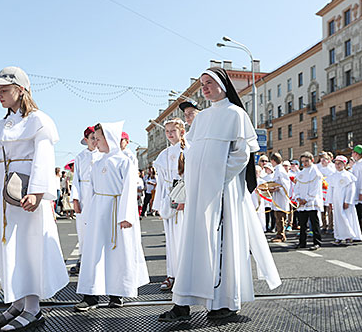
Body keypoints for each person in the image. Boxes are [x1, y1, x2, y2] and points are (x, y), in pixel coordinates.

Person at [159, 67, 280, 322]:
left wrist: (217, 177)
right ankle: (183, 302)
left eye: (209, 82)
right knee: (192, 245)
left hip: (222, 190)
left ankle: (222, 304)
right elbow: (192, 153)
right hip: (198, 192)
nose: (204, 87)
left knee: (221, 246)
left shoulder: (235, 114)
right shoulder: (201, 119)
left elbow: (242, 153)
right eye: (202, 84)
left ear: (223, 85)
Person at [0, 66, 68, 330]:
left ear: (20, 90)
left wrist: (37, 192)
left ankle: (33, 308)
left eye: (3, 90)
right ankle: (16, 303)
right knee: (6, 249)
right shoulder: (0, 126)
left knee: (28, 248)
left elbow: (44, 158)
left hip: (25, 196)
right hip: (1, 197)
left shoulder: (38, 120)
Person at [75, 121, 149, 311]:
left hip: (117, 211)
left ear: (110, 139)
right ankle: (91, 295)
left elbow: (129, 191)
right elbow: (91, 190)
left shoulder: (125, 161)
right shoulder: (97, 162)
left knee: (117, 252)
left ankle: (117, 293)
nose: (96, 142)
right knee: (94, 252)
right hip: (99, 211)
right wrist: (89, 214)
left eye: (98, 139)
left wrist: (125, 216)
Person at [152, 118, 189, 291]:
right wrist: (159, 205)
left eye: (172, 131)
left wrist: (184, 199)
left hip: (184, 202)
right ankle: (171, 274)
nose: (169, 134)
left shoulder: (188, 150)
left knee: (183, 238)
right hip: (169, 201)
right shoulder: (164, 155)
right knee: (171, 240)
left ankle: (186, 274)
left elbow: (192, 178)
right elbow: (160, 182)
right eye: (167, 131)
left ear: (182, 131)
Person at [70, 126, 101, 275]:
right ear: (86, 140)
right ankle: (82, 258)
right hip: (84, 194)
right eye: (92, 138)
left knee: (98, 227)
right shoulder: (80, 157)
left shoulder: (102, 155)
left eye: (97, 138)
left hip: (98, 193)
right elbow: (75, 179)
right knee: (83, 228)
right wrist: (75, 199)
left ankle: (97, 258)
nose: (95, 141)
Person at [327, 156, 362, 245]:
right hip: (336, 200)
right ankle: (339, 236)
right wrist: (330, 201)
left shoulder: (348, 176)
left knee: (347, 217)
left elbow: (351, 190)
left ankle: (348, 236)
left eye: (340, 163)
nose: (338, 165)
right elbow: (330, 189)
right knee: (337, 219)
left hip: (345, 201)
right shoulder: (332, 176)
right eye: (336, 163)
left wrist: (348, 201)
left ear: (344, 164)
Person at [293, 152, 323, 251]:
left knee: (314, 223)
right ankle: (302, 242)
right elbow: (296, 187)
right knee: (302, 224)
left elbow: (315, 188)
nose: (304, 163)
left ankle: (317, 242)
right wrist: (298, 198)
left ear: (312, 160)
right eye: (303, 162)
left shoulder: (316, 173)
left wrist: (306, 199)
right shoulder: (300, 173)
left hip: (311, 202)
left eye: (306, 161)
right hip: (302, 203)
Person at [269, 152, 291, 243]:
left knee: (280, 216)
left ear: (273, 161)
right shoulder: (277, 170)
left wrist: (277, 188)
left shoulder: (280, 170)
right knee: (277, 216)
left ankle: (281, 235)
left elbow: (286, 185)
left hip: (281, 197)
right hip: (277, 196)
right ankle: (279, 233)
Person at [316, 152, 335, 234]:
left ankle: (331, 226)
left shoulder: (332, 168)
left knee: (330, 210)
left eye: (325, 159)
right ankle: (324, 225)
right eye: (322, 159)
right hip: (320, 191)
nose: (323, 161)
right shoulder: (317, 168)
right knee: (322, 210)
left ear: (329, 160)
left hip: (329, 191)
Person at [251, 165, 266, 232]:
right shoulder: (250, 181)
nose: (256, 174)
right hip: (252, 199)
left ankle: (261, 229)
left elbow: (265, 190)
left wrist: (260, 191)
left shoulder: (262, 181)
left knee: (260, 214)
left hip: (259, 200)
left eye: (257, 172)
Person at [262, 162, 276, 232]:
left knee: (273, 213)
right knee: (266, 212)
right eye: (265, 168)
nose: (266, 170)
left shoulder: (274, 176)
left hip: (273, 196)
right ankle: (266, 226)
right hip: (266, 197)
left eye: (267, 168)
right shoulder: (264, 178)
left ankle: (273, 226)